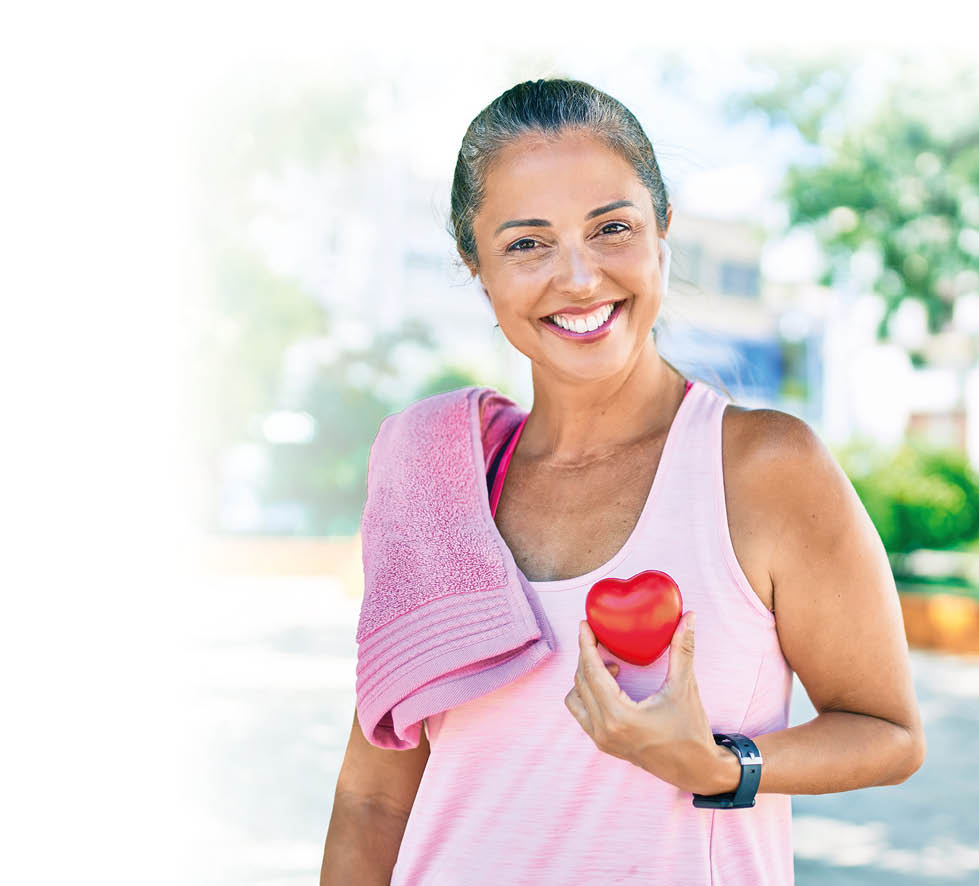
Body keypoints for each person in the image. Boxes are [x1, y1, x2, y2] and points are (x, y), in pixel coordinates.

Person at [320, 77, 926, 885]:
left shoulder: (762, 468)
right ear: (475, 264)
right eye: (526, 243)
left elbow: (887, 733)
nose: (578, 277)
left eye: (611, 228)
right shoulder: (433, 484)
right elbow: (373, 799)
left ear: (661, 231)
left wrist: (719, 764)